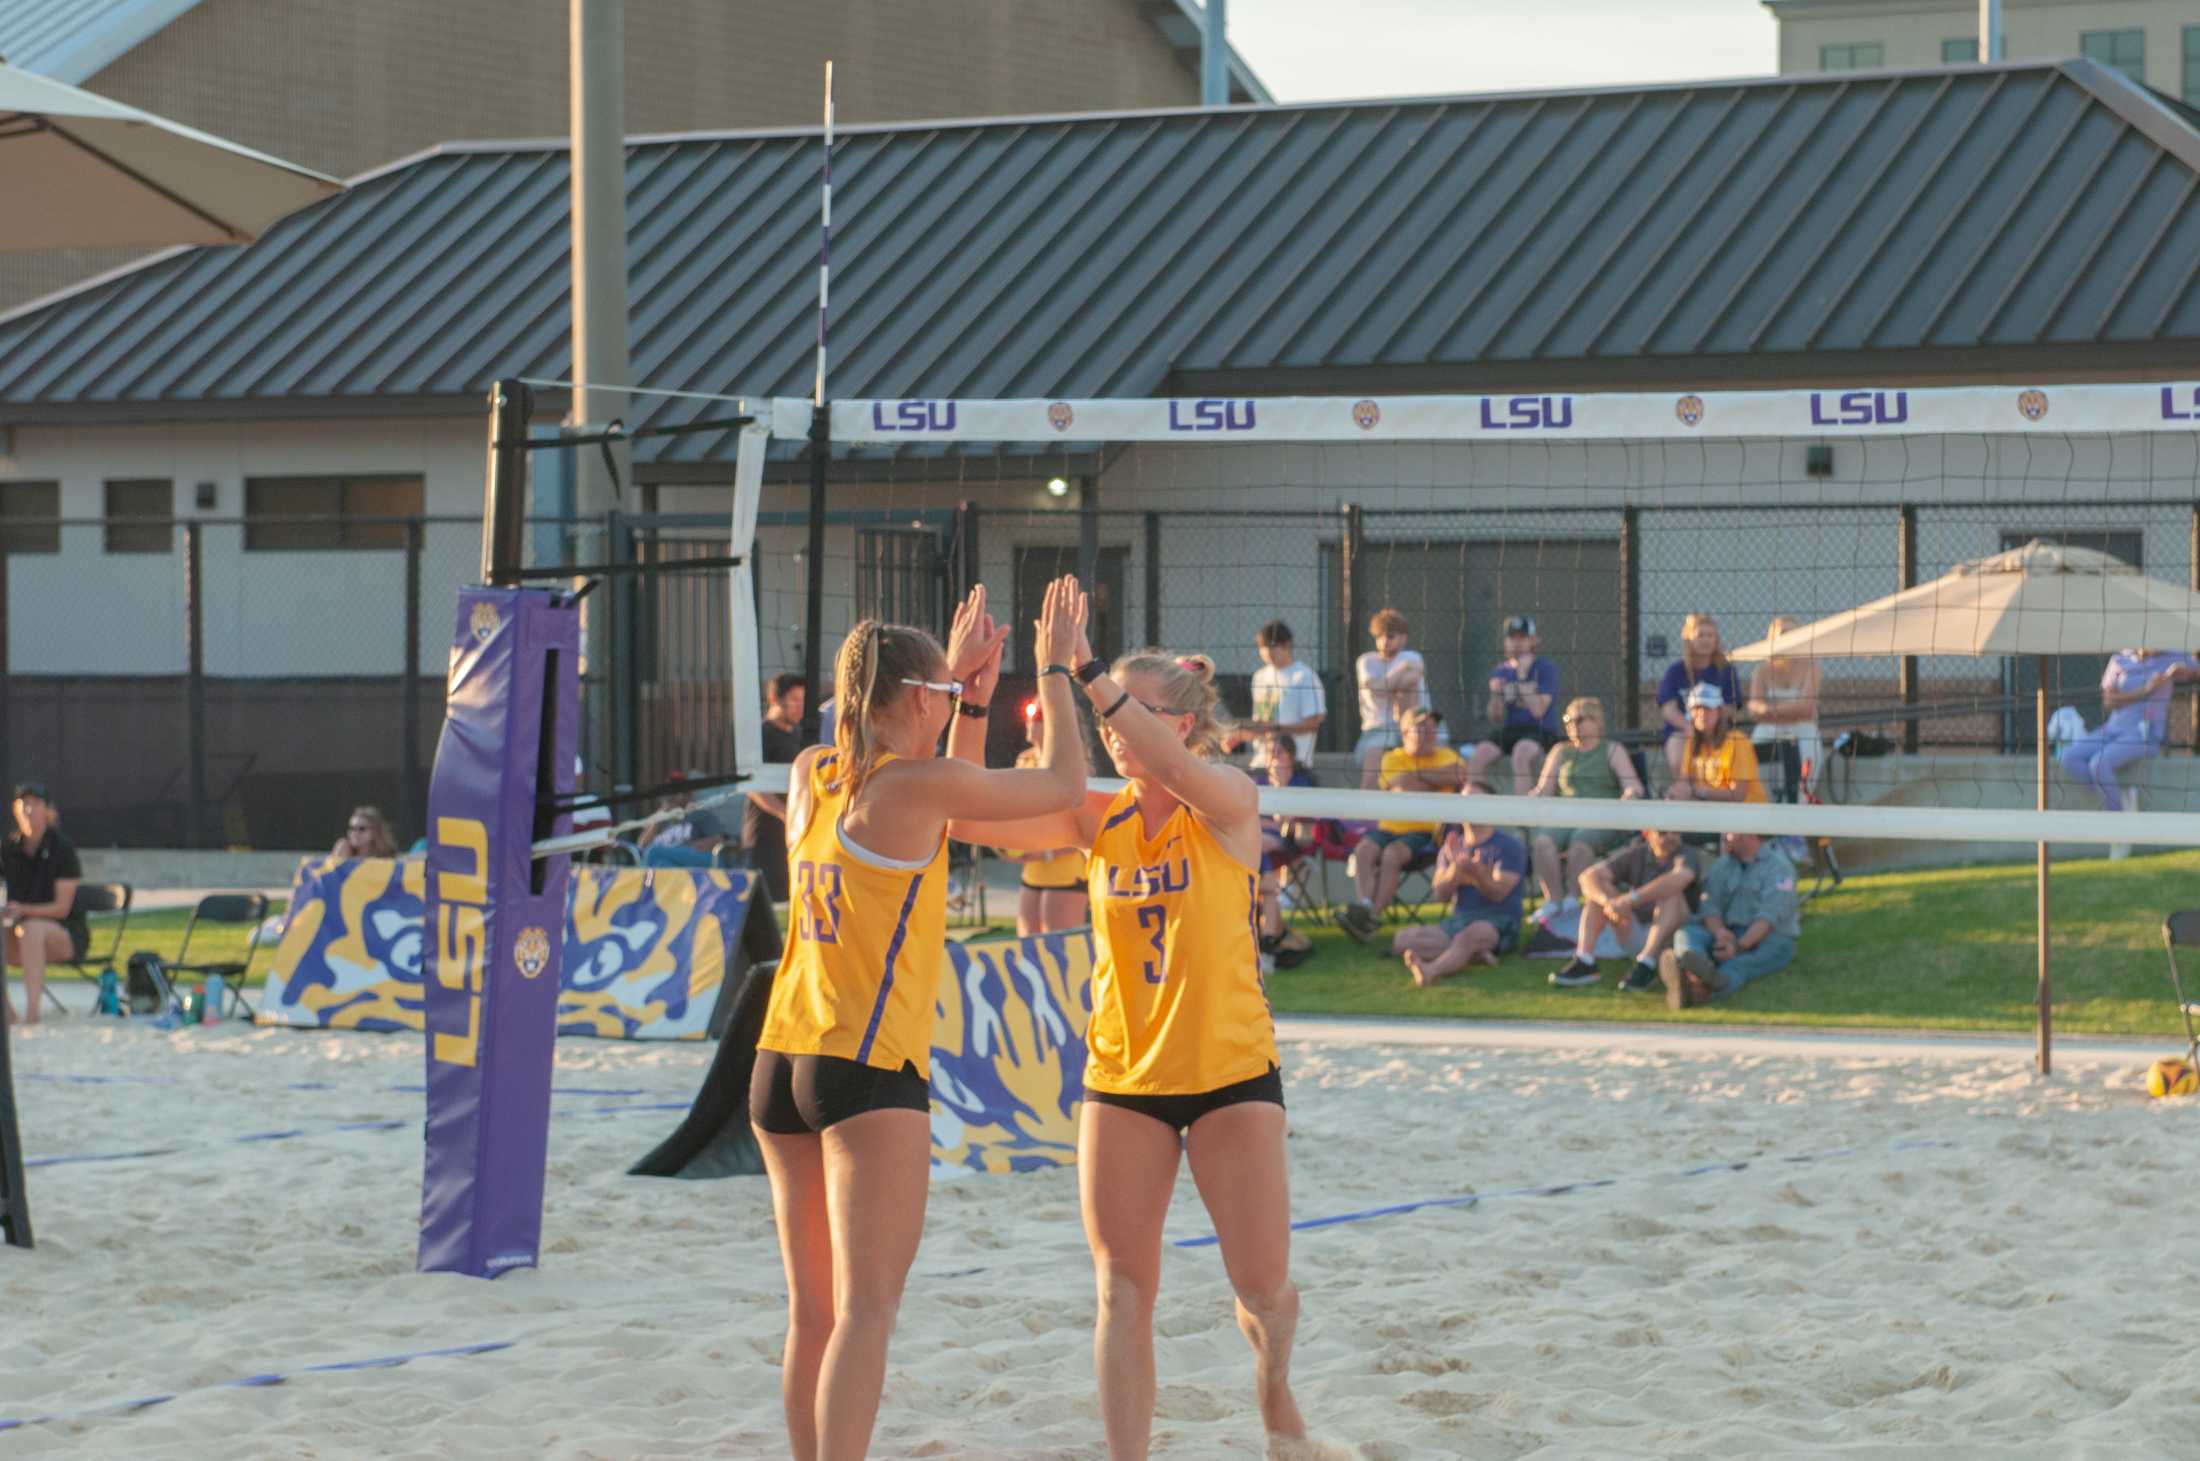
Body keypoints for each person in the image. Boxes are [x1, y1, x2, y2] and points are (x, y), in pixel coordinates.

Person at [748, 579, 1088, 1461]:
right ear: (910, 699)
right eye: (939, 696)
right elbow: (1062, 781)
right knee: (866, 1313)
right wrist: (1054, 669)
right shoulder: (910, 787)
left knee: (813, 1312)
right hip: (865, 1067)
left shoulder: (813, 771)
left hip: (781, 1059)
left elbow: (958, 798)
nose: (950, 709)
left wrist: (964, 687)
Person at [957, 645, 1321, 1461]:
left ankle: (1274, 1390)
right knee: (1122, 1291)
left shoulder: (1228, 800)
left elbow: (1178, 770)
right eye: (1108, 710)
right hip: (1123, 1078)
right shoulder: (1097, 815)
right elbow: (962, 812)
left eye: (1133, 708)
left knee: (1262, 1287)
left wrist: (1089, 674)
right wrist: (972, 699)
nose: (1113, 725)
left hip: (1231, 1074)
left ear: (1183, 725)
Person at [1337, 707, 1464, 940]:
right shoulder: (1391, 757)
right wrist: (1435, 779)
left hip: (1425, 831)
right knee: (1364, 850)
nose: (1430, 732)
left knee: (1391, 856)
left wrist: (1418, 776)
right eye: (1422, 727)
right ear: (1405, 732)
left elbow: (1459, 775)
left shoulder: (1448, 755)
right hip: (1388, 828)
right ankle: (1364, 906)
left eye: (1432, 727)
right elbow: (1401, 783)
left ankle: (1372, 918)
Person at [1391, 779, 1525, 986]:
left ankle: (1431, 970)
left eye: (1476, 801)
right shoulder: (1451, 848)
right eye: (1464, 801)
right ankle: (1472, 953)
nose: (1469, 806)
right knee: (1402, 940)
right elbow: (1441, 895)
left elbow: (1498, 894)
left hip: (1497, 921)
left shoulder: (1510, 846)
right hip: (1460, 921)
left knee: (1473, 934)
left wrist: (1476, 872)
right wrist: (1457, 869)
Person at [1549, 826, 1706, 991]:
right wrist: (1609, 903)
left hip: (1673, 939)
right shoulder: (1638, 853)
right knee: (1596, 897)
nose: (1671, 837)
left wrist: (1631, 899)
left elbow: (1680, 878)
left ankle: (1647, 963)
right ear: (1647, 834)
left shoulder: (1687, 854)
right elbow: (1588, 877)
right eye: (1663, 833)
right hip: (1635, 930)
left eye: (1675, 832)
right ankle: (1585, 961)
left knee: (1672, 895)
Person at [1525, 696, 1644, 915]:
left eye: (1579, 720)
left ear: (1596, 721)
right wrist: (1529, 798)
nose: (1573, 725)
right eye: (1568, 720)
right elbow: (1544, 789)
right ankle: (1553, 901)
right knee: (1542, 841)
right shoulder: (1561, 751)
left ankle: (1573, 900)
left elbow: (1633, 786)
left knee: (1581, 842)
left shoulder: (1612, 750)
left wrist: (1629, 795)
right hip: (1564, 816)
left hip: (1601, 816)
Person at [1661, 831, 1802, 1009]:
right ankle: (1694, 967)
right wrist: (1720, 934)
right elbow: (1710, 906)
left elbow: (1767, 920)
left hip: (1769, 938)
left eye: (1730, 833)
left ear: (1750, 836)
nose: (1724, 838)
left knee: (1740, 964)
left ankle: (1700, 986)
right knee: (1687, 933)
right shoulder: (1723, 865)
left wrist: (1737, 947)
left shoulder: (1779, 869)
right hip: (1726, 932)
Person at [2059, 648, 2200, 812]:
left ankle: (2117, 822)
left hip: (2145, 736)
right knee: (2068, 757)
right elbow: (2109, 701)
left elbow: (2195, 670)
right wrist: (2146, 690)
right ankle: (2116, 795)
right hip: (2112, 729)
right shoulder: (2119, 659)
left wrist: (2183, 672)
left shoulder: (2172, 656)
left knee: (2098, 764)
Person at [1001, 698, 1089, 937]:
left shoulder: (1072, 765)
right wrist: (1006, 844)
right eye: (1029, 715)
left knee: (1060, 952)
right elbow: (1017, 813)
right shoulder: (1025, 760)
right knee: (1027, 944)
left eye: (1037, 716)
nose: (1030, 721)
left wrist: (1047, 853)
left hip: (1066, 871)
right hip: (1033, 869)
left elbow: (1084, 829)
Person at [1, 783, 86, 1028]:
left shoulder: (62, 848)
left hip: (64, 935)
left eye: (35, 803)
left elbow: (62, 908)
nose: (29, 809)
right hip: (22, 935)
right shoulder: (9, 847)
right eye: (23, 803)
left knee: (32, 929)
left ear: (47, 810)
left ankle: (33, 1014)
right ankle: (7, 1013)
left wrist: (24, 910)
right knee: (21, 929)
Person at [1468, 614, 1560, 795]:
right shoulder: (1500, 671)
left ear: (1533, 641)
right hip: (1511, 731)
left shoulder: (1545, 668)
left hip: (1540, 731)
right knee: (1479, 754)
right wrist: (1496, 695)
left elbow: (1538, 710)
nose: (1517, 643)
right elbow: (1495, 717)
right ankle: (1475, 812)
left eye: (1522, 638)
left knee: (1521, 753)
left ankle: (1522, 815)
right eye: (1512, 638)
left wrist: (1522, 676)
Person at [1226, 619, 1327, 771]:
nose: (1267, 652)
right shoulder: (1259, 677)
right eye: (1263, 647)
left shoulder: (1304, 676)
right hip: (1261, 763)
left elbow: (1313, 724)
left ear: (1287, 645)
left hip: (1294, 765)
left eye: (1272, 646)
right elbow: (1263, 726)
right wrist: (1241, 735)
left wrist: (1276, 728)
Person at [1254, 732, 1317, 971]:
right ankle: (1271, 940)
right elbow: (1250, 818)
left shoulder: (1301, 781)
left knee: (1257, 846)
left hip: (1291, 842)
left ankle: (1270, 943)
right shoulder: (1259, 781)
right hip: (1259, 841)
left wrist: (1275, 822)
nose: (1274, 757)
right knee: (1257, 849)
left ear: (1290, 756)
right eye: (1270, 752)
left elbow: (1294, 826)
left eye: (1279, 752)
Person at [1657, 612, 1743, 779]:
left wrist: (1708, 725)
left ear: (1716, 639)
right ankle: (1685, 791)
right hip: (1683, 731)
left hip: (1717, 732)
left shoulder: (1726, 670)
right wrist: (1691, 727)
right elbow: (1668, 710)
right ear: (1689, 638)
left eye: (1710, 635)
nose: (1706, 640)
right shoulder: (1676, 670)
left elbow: (1732, 707)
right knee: (1679, 757)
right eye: (1700, 635)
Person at [744, 672, 807, 899]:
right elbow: (752, 784)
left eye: (803, 701)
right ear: (774, 699)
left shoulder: (801, 735)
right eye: (794, 701)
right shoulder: (761, 734)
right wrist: (784, 813)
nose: (800, 708)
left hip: (792, 836)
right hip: (764, 838)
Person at [1746, 617, 1823, 804]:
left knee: (1801, 790)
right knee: (1765, 787)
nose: (1787, 637)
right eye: (1782, 633)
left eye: (1792, 632)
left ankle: (1797, 831)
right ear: (1772, 637)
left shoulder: (1812, 667)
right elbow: (1754, 710)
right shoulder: (1761, 671)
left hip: (1803, 732)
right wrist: (1791, 709)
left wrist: (1769, 710)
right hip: (1768, 733)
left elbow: (1806, 709)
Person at [1353, 607, 1431, 787]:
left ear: (1404, 637)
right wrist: (1400, 671)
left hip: (1414, 726)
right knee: (1372, 769)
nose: (1384, 642)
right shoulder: (1366, 661)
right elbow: (1377, 689)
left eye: (1390, 636)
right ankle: (1366, 812)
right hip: (1377, 729)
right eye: (1379, 636)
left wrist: (1384, 684)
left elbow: (1406, 683)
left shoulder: (1413, 657)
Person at [1666, 683, 1766, 804]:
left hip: (1747, 814)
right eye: (1697, 708)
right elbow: (1683, 783)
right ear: (1690, 713)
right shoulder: (1692, 742)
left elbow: (1738, 795)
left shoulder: (1738, 741)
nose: (1702, 713)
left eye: (1708, 707)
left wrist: (1697, 792)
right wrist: (1674, 793)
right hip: (1710, 812)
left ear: (1719, 711)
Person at [639, 774, 729, 867]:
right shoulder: (659, 821)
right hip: (677, 866)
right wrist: (659, 816)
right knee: (661, 864)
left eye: (675, 791)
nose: (670, 796)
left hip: (702, 860)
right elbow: (642, 847)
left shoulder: (700, 814)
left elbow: (718, 840)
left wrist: (684, 848)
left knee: (655, 852)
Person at [329, 805, 398, 861]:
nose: (355, 833)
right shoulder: (344, 848)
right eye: (352, 828)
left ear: (375, 831)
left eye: (361, 829)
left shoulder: (384, 857)